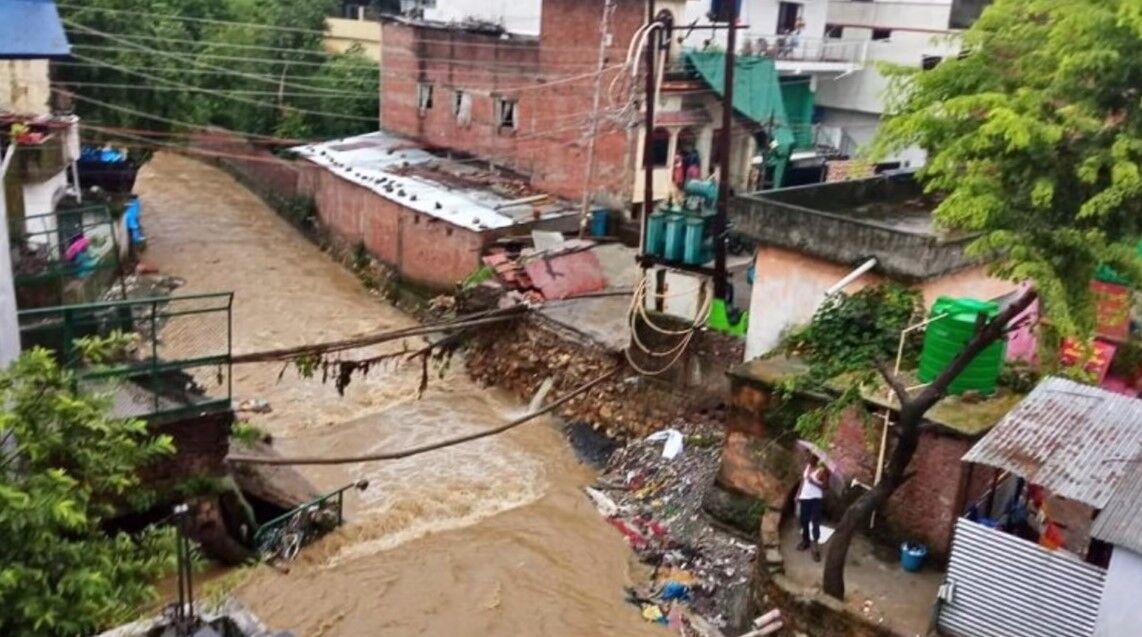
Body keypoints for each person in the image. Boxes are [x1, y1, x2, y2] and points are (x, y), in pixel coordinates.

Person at [797, 454, 827, 561]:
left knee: (815, 522)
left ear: (815, 459)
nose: (807, 458)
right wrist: (798, 494)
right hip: (804, 498)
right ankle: (805, 541)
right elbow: (802, 482)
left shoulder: (821, 470)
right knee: (803, 520)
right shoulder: (807, 467)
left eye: (810, 457)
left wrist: (813, 482)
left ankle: (815, 547)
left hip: (815, 499)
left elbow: (825, 486)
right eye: (807, 456)